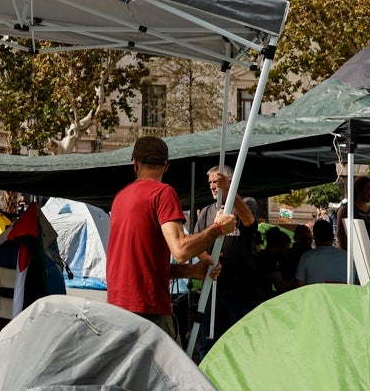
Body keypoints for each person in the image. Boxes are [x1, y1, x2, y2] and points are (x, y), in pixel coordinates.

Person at [107, 137, 236, 342]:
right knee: (169, 373)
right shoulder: (162, 193)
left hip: (117, 308)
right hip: (148, 311)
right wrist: (218, 228)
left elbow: (141, 267)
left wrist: (191, 271)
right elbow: (181, 250)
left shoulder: (120, 198)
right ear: (166, 166)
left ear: (135, 162)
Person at [192, 164, 261, 336]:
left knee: (238, 334)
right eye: (210, 182)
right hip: (213, 282)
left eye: (216, 182)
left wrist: (230, 192)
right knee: (209, 335)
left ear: (230, 181)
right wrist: (208, 259)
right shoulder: (207, 212)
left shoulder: (246, 203)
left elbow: (249, 221)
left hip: (240, 284)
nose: (212, 186)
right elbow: (196, 243)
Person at [295, 219, 347, 286]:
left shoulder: (306, 257)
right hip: (343, 295)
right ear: (332, 237)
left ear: (315, 238)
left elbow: (300, 286)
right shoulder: (347, 257)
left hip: (314, 296)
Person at [255, 227, 293, 296]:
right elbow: (280, 286)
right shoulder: (269, 260)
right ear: (278, 246)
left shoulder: (261, 255)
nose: (286, 254)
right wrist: (297, 279)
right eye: (286, 250)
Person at [282, 224, 313, 289]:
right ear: (295, 238)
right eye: (304, 239)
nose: (307, 242)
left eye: (310, 239)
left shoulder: (313, 254)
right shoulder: (289, 256)